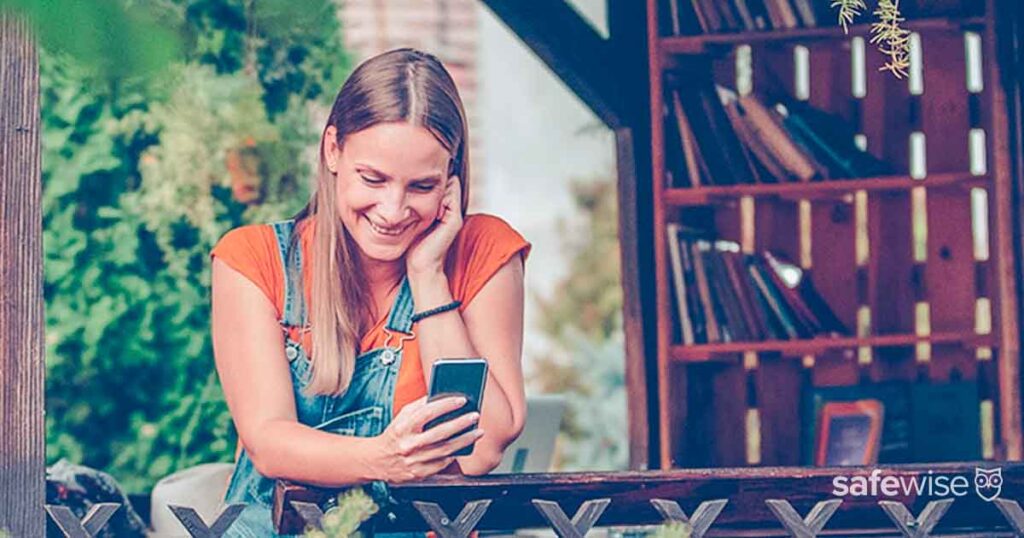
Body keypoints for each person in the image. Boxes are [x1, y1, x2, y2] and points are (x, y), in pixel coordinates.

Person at [210, 48, 530, 536]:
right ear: (333, 149)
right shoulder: (254, 261)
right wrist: (386, 458)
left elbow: (483, 446)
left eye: (421, 186)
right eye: (373, 179)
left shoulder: (483, 252)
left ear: (451, 178)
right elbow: (269, 444)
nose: (393, 209)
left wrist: (428, 277)